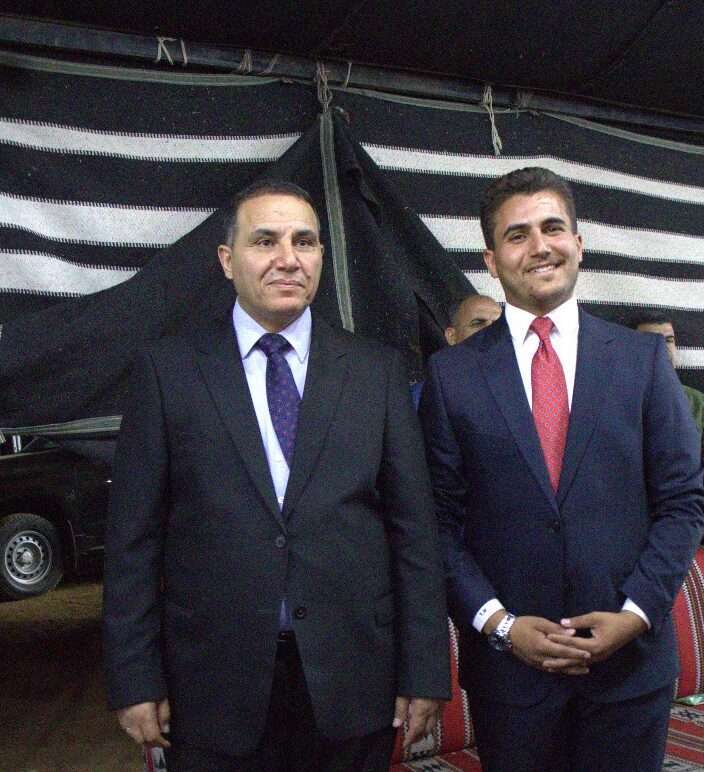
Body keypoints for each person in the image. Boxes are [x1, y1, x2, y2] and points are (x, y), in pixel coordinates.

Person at [103, 180, 450, 772]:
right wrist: (134, 677)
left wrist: (424, 671)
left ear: (320, 257)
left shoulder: (377, 373)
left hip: (353, 682)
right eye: (265, 241)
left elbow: (414, 532)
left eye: (304, 242)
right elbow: (132, 542)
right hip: (212, 687)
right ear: (227, 260)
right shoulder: (168, 372)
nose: (288, 258)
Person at [419, 167, 704, 771]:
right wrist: (500, 625)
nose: (539, 246)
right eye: (517, 235)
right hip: (512, 684)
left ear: (578, 243)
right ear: (491, 260)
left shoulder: (642, 361)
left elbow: (683, 502)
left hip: (630, 674)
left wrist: (634, 615)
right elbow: (438, 525)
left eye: (552, 228)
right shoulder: (452, 376)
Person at [633, 312, 704, 549]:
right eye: (651, 342)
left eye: (669, 340)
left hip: (686, 524)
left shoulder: (696, 402)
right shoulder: (615, 401)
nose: (663, 349)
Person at [411, 294, 503, 406]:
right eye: (478, 323)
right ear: (451, 336)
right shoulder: (425, 397)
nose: (491, 330)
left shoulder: (520, 387)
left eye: (498, 325)